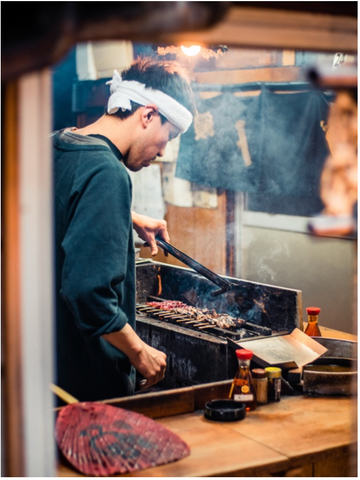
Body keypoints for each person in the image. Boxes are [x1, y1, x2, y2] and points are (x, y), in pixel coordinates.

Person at [53, 56, 196, 402]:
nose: (163, 151)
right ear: (147, 114)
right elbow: (87, 293)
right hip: (84, 388)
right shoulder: (107, 173)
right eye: (169, 136)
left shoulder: (58, 143)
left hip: (44, 371)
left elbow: (58, 198)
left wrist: (126, 215)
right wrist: (138, 353)